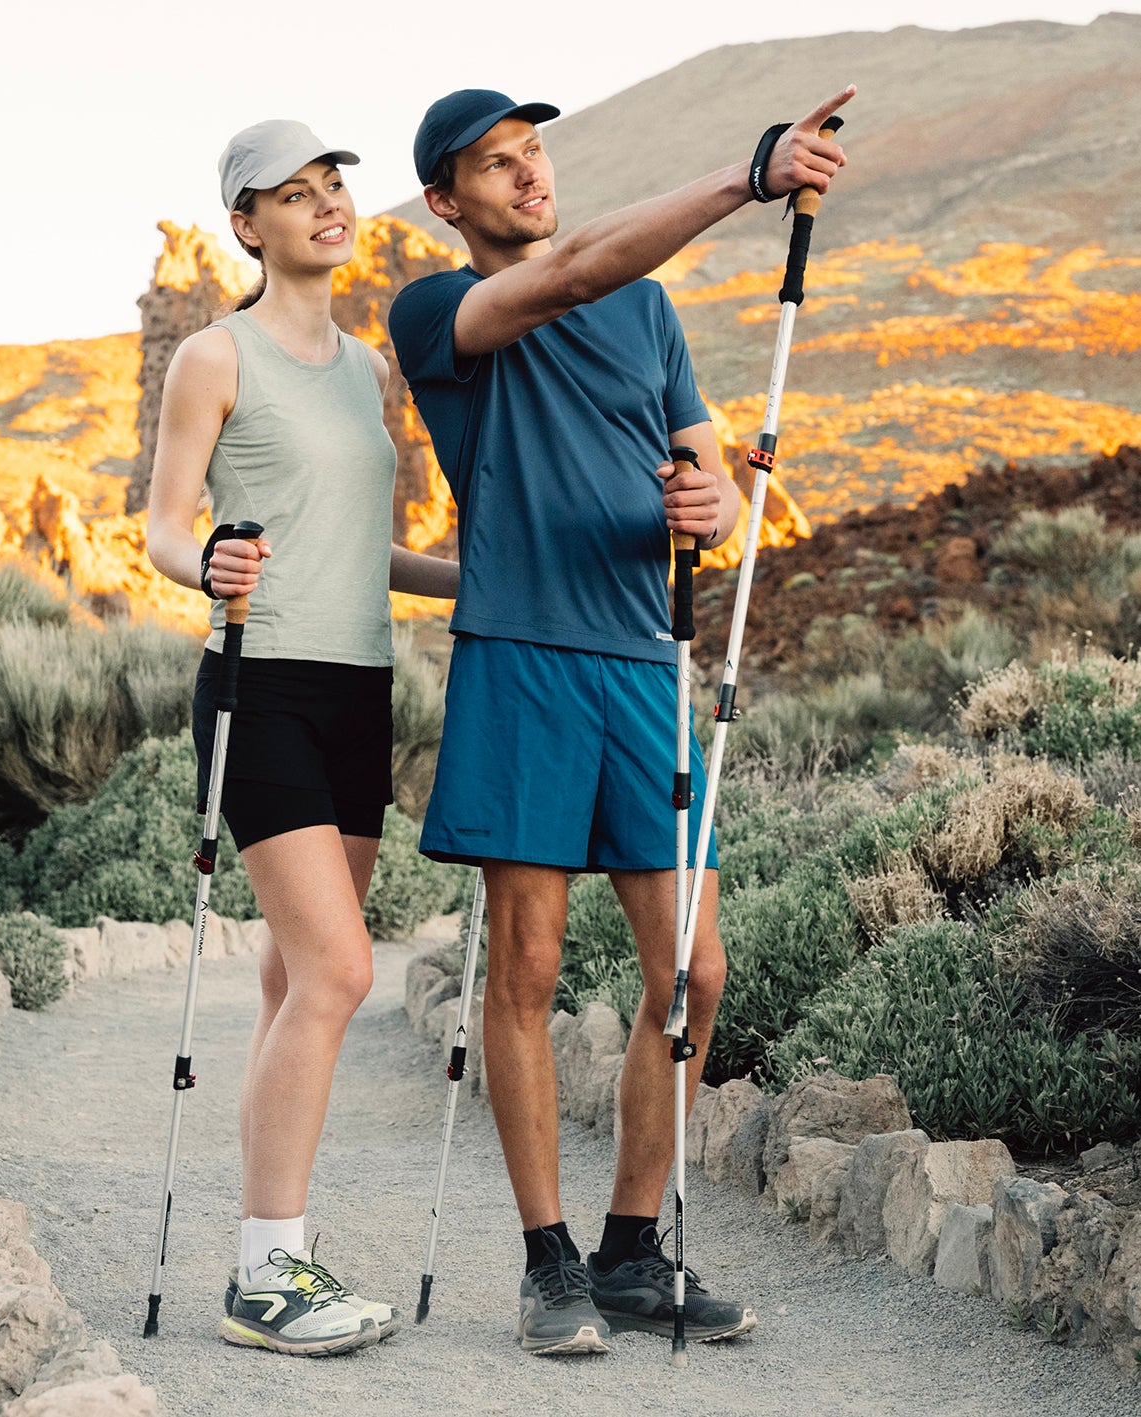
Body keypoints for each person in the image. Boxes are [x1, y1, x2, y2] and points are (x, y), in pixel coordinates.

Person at [387, 85, 852, 1355]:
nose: (529, 177)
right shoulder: (439, 313)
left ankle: (634, 1252)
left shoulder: (651, 316)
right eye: (495, 165)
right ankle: (548, 1267)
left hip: (643, 666)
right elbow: (572, 269)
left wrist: (708, 510)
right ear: (448, 201)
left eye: (534, 153)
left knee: (693, 972)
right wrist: (743, 176)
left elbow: (711, 490)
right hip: (523, 660)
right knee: (527, 967)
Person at [146, 118, 459, 1358]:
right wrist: (207, 563)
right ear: (248, 224)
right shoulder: (212, 357)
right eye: (295, 191)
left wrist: (469, 583)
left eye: (335, 184)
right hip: (258, 681)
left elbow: (354, 548)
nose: (328, 203)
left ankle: (282, 1253)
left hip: (358, 689)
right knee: (336, 974)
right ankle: (264, 1276)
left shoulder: (365, 369)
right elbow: (169, 527)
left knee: (294, 977)